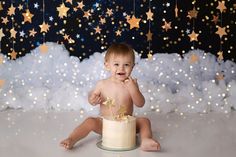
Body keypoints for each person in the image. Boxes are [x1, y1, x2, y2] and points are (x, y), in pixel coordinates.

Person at [60, 43, 161, 151]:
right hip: (105, 124)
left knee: (144, 121)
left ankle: (146, 140)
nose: (121, 68)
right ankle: (71, 139)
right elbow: (92, 98)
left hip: (127, 126)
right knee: (90, 121)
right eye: (116, 64)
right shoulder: (102, 84)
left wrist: (133, 89)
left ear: (132, 66)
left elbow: (140, 103)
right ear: (107, 65)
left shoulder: (132, 84)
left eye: (126, 64)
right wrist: (92, 100)